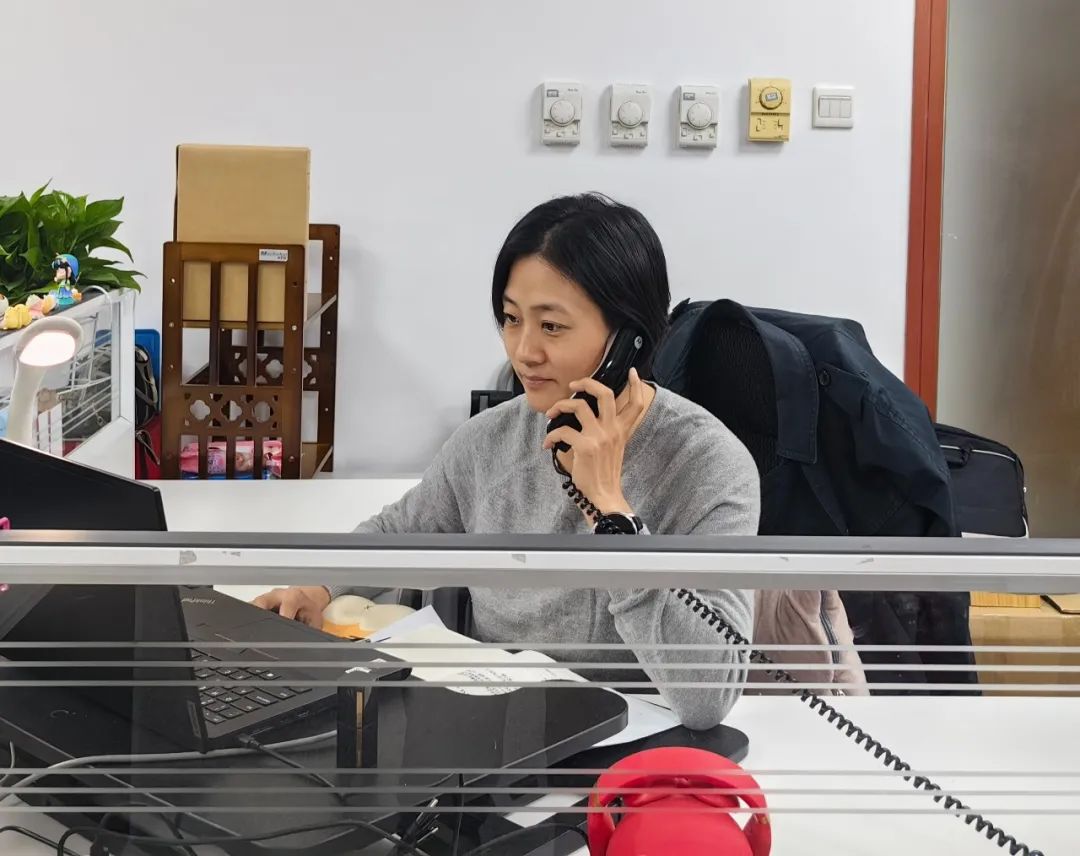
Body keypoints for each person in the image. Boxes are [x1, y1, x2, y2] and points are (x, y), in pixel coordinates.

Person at [254, 193, 760, 729]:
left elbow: (709, 699)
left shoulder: (708, 465)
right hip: (495, 729)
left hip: (634, 749)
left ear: (628, 340)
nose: (523, 351)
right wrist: (317, 587)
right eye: (512, 319)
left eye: (552, 326)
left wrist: (612, 514)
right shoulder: (489, 441)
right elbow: (398, 531)